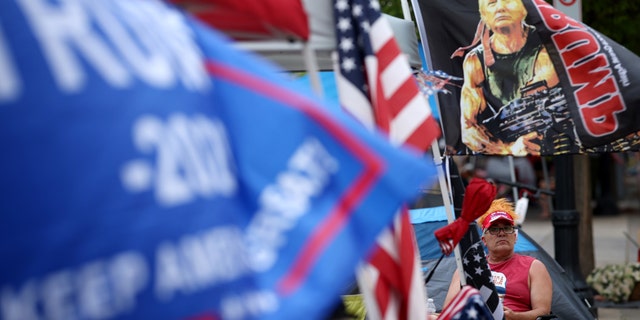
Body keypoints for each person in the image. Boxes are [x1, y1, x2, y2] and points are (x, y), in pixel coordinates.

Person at [454, 0, 580, 156]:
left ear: (524, 8)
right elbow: (468, 129)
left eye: (508, 0)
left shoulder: (548, 49)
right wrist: (508, 148)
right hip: (507, 149)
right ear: (484, 14)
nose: (500, 7)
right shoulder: (475, 61)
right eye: (492, 3)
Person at [443, 198, 553, 320]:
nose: (501, 233)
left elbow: (543, 313)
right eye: (494, 229)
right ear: (484, 240)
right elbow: (448, 311)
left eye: (507, 228)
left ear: (515, 237)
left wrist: (514, 316)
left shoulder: (534, 267)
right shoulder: (466, 269)